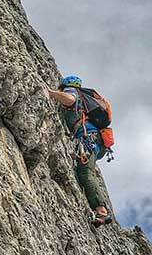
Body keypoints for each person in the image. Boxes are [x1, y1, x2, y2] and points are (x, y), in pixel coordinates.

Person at [47, 75, 112, 227]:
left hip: (88, 138)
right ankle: (99, 208)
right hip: (96, 140)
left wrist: (50, 93)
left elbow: (70, 99)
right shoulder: (86, 98)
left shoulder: (72, 91)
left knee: (85, 171)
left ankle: (102, 210)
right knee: (85, 170)